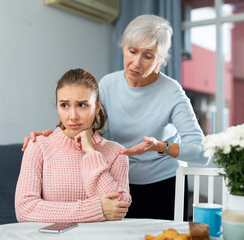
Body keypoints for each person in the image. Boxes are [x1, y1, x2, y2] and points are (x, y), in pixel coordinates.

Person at [22, 15, 209, 220]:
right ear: (123, 48)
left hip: (163, 186)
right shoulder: (109, 84)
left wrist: (159, 146)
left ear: (160, 60)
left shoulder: (172, 92)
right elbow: (82, 118)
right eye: (132, 51)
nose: (135, 63)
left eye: (147, 56)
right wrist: (49, 137)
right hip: (116, 181)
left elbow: (202, 152)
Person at [15, 69, 131, 223]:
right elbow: (25, 209)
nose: (73, 116)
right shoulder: (38, 146)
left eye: (82, 105)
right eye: (64, 105)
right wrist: (96, 209)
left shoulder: (117, 152)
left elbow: (118, 208)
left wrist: (90, 153)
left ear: (97, 106)